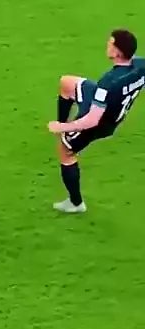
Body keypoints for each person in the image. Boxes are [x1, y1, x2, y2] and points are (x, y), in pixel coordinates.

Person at [48, 29, 145, 213]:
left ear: (117, 53)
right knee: (67, 83)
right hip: (109, 106)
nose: (107, 44)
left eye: (111, 43)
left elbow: (92, 120)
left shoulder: (108, 82)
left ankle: (76, 203)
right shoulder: (141, 66)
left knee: (65, 152)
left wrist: (62, 127)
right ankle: (66, 134)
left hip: (101, 121)